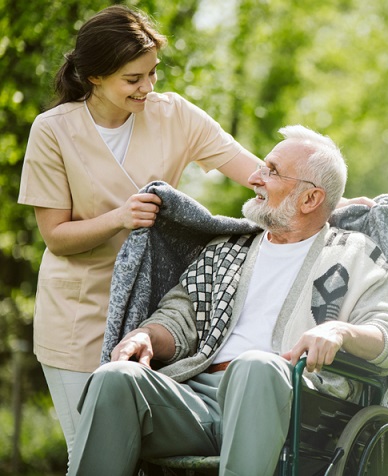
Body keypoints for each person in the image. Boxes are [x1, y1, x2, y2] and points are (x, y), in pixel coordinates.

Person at [67, 125, 388, 475]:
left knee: (256, 365)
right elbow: (179, 317)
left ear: (310, 199)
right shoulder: (227, 251)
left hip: (296, 403)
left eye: (272, 171)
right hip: (199, 400)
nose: (255, 178)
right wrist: (147, 335)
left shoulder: (355, 255)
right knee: (116, 378)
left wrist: (340, 332)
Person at [16, 5, 260, 457]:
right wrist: (119, 218)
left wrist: (327, 195)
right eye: (133, 79)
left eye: (153, 74)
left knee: (142, 458)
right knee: (90, 455)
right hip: (78, 314)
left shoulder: (175, 115)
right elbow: (56, 236)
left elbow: (258, 174)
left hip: (150, 317)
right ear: (95, 77)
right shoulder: (52, 131)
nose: (148, 88)